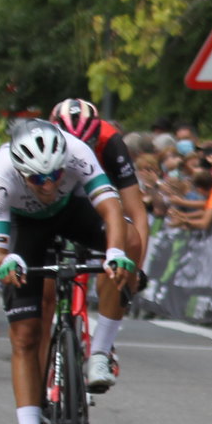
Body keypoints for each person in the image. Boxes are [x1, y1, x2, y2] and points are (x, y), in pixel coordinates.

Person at [0, 123, 133, 424]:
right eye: (38, 179)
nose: (48, 185)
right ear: (21, 172)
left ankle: (100, 352)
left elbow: (111, 208)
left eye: (55, 175)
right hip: (25, 228)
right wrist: (5, 262)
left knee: (129, 239)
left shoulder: (77, 151)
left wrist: (114, 252)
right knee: (25, 337)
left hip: (72, 213)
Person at [51, 99, 148, 391]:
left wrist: (135, 268)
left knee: (121, 252)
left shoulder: (111, 142)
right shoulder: (40, 138)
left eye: (87, 144)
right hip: (54, 201)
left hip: (98, 200)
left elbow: (136, 212)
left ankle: (101, 352)